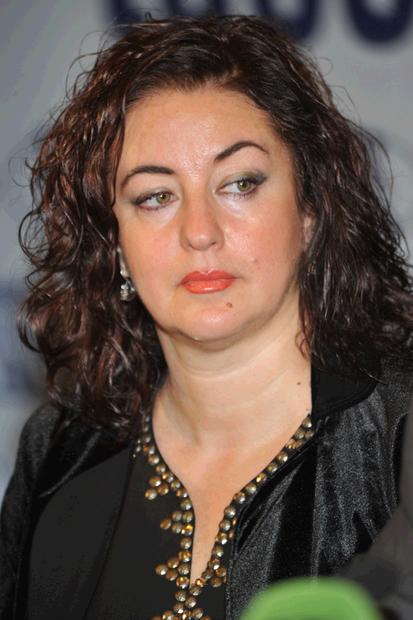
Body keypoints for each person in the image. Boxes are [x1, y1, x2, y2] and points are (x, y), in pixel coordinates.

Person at [1, 14, 413, 620]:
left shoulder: (398, 432)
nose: (200, 232)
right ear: (115, 243)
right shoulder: (62, 451)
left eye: (239, 183)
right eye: (155, 196)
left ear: (310, 210)